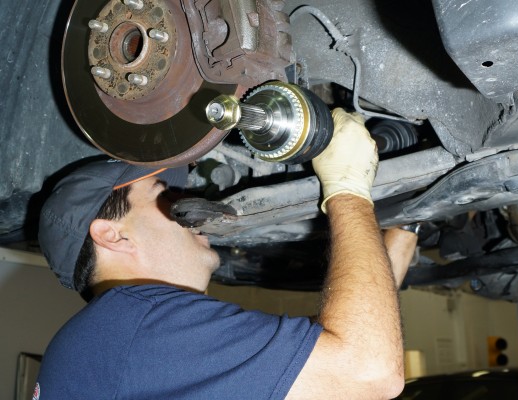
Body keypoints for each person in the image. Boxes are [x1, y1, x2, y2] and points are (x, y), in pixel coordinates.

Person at [35, 108, 418, 399]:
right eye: (163, 196)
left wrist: (411, 219)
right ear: (112, 236)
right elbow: (366, 372)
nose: (187, 205)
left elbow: (342, 355)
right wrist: (347, 188)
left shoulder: (119, 338)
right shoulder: (135, 325)